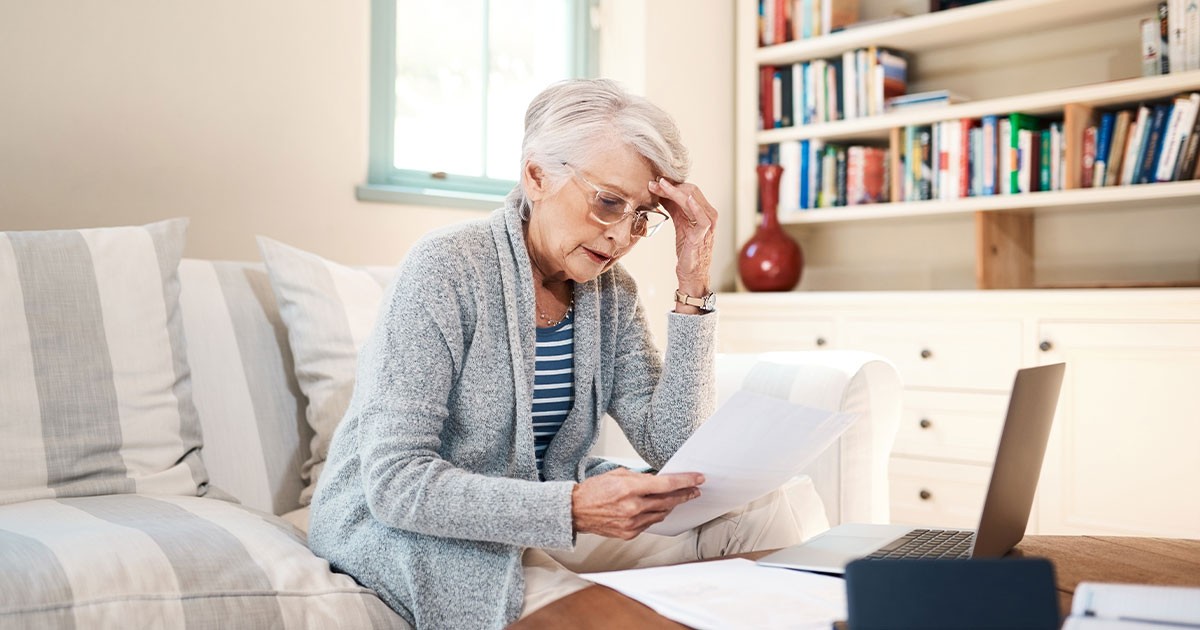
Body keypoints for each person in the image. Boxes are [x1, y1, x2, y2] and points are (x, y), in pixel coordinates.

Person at [308, 78, 812, 629]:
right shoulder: (446, 267)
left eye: (644, 214)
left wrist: (693, 280)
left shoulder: (611, 292)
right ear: (536, 175)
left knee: (763, 512)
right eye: (609, 203)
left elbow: (676, 448)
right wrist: (571, 508)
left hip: (550, 506)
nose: (623, 236)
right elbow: (396, 483)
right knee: (583, 614)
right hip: (426, 524)